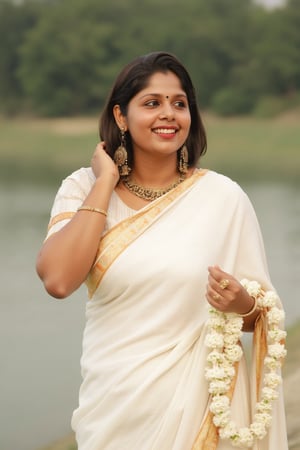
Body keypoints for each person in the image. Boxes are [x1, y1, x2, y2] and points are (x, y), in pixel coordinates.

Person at [36, 51, 288, 450]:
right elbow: (58, 279)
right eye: (152, 103)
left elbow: (261, 316)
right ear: (121, 116)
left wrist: (241, 303)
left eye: (179, 103)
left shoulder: (222, 198)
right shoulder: (82, 187)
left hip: (199, 404)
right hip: (115, 405)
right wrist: (105, 183)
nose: (168, 114)